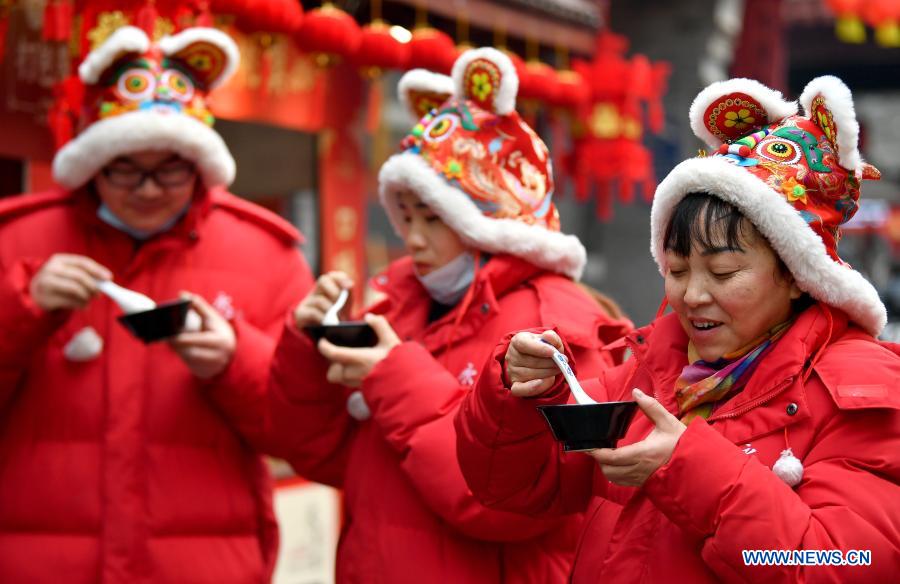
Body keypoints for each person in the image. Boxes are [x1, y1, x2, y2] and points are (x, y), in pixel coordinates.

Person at [456, 75, 900, 582]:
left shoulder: (864, 391)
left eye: (724, 272)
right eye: (678, 269)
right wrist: (522, 394)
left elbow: (843, 563)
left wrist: (688, 469)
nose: (692, 296)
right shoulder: (653, 370)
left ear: (797, 274)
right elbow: (510, 486)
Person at [267, 49, 632, 583]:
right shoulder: (401, 303)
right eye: (405, 215)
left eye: (434, 218)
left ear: (491, 217)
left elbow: (507, 505)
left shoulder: (554, 324)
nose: (411, 239)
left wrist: (394, 380)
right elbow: (323, 457)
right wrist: (307, 349)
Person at [0, 26, 312, 582]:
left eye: (169, 169)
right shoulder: (15, 240)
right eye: (125, 168)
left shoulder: (267, 254)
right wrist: (20, 310)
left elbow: (313, 430)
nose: (147, 190)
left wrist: (233, 362)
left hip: (203, 567)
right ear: (95, 161)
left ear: (199, 163)